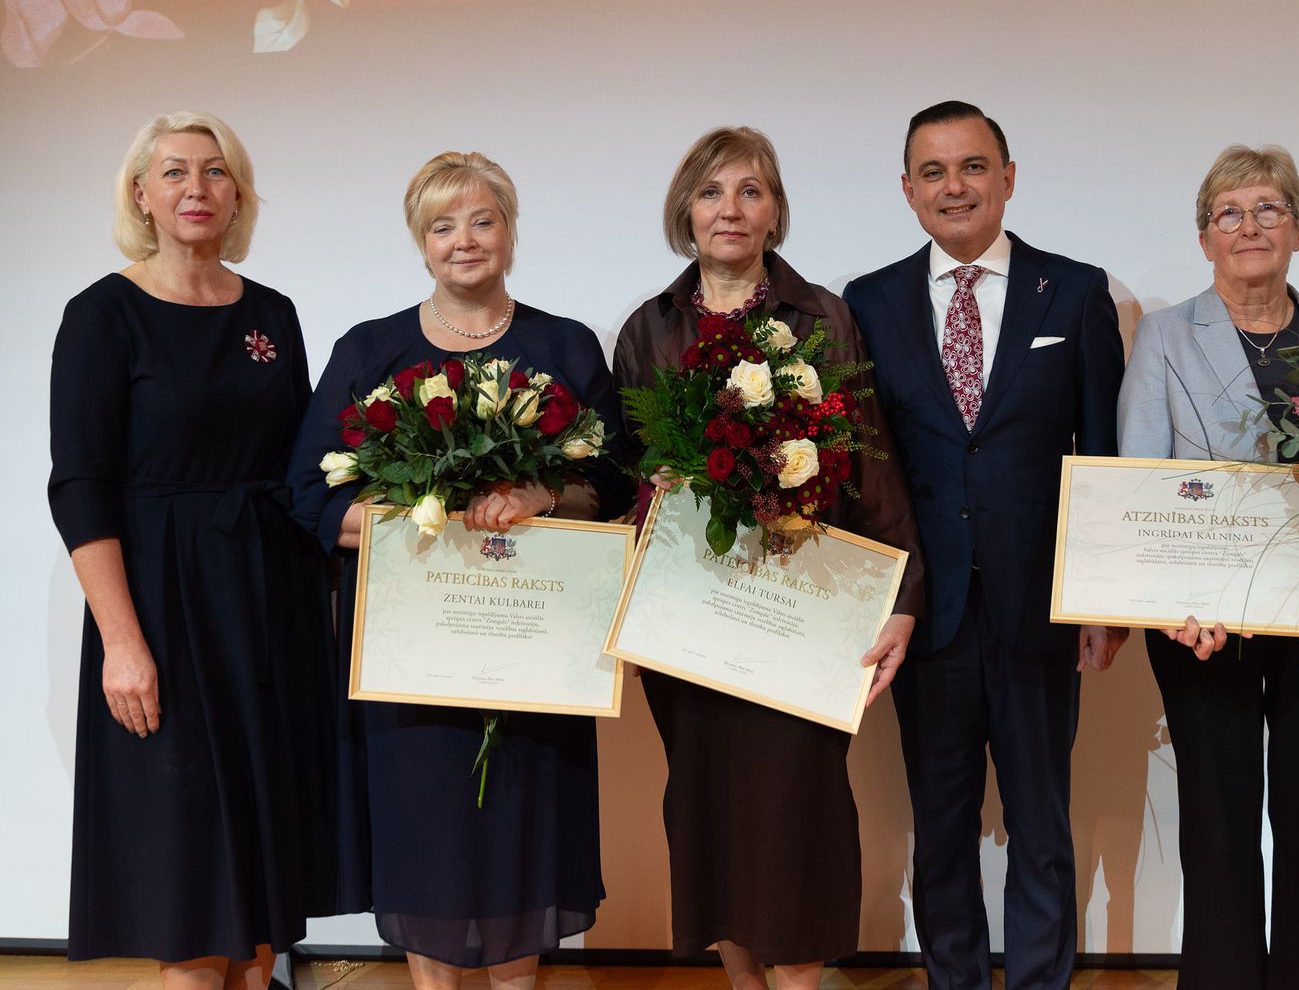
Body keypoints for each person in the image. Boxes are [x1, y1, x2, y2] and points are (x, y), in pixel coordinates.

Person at [286, 151, 630, 990]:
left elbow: (616, 482)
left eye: (483, 220)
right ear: (421, 240)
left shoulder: (563, 344)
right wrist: (409, 518)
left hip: (535, 649)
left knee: (520, 833)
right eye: (443, 226)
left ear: (510, 230)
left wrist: (543, 494)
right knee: (426, 836)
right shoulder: (370, 349)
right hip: (409, 658)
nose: (464, 240)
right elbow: (306, 494)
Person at [613, 126, 926, 990]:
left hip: (800, 606)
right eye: (712, 192)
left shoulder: (821, 316)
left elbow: (866, 459)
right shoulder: (649, 327)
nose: (731, 209)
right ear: (686, 210)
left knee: (798, 810)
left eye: (751, 191)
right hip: (692, 614)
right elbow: (627, 475)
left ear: (776, 211)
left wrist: (902, 595)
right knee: (706, 804)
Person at [47, 111, 337, 988]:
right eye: (173, 172)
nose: (196, 188)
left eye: (215, 171)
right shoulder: (103, 315)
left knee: (262, 885)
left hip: (270, 605)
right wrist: (121, 643)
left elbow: (303, 471)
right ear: (141, 194)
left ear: (237, 194)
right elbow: (80, 486)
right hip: (163, 609)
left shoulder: (273, 314)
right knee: (190, 884)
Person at [841, 101, 1126, 990]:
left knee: (1042, 821)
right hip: (925, 613)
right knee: (941, 820)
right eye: (933, 172)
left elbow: (1102, 457)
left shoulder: (1074, 291)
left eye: (972, 167)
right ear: (907, 190)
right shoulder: (869, 302)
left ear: (1008, 177)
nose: (954, 187)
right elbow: (866, 465)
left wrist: (1101, 598)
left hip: (1039, 605)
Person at [1116, 144, 1299, 989]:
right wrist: (1172, 604)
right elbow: (1141, 482)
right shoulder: (1165, 336)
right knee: (1219, 824)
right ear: (1205, 236)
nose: (1249, 227)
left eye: (1268, 209)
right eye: (1229, 213)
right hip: (1203, 625)